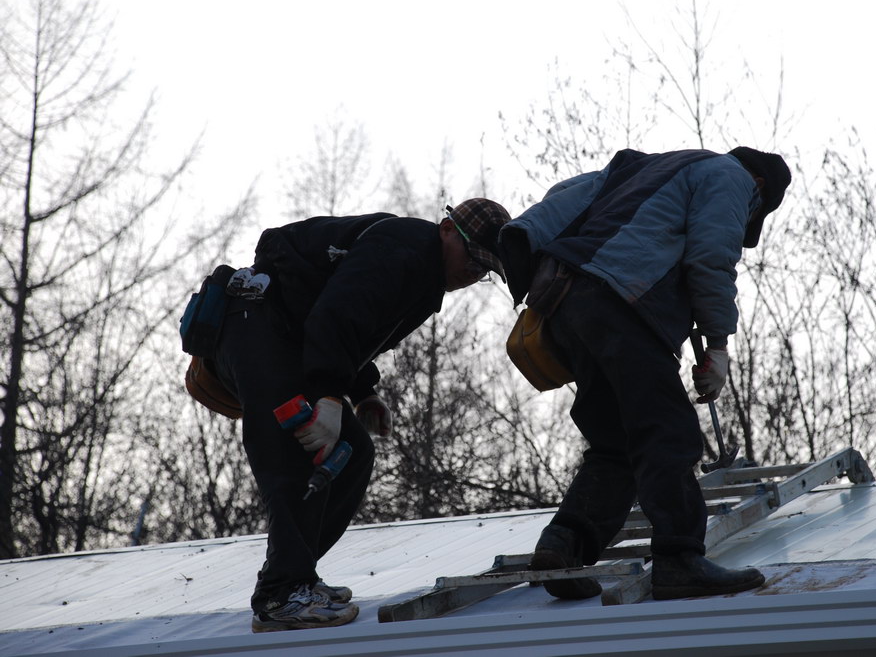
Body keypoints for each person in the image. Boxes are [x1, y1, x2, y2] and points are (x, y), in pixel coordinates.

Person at [498, 146, 790, 601]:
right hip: (619, 300)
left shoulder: (653, 165)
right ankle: (679, 561)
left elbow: (565, 195)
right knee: (668, 433)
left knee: (616, 443)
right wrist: (718, 345)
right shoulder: (732, 177)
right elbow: (711, 257)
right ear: (760, 189)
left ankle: (563, 546)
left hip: (565, 296)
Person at [208, 198, 511, 632]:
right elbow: (335, 316)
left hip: (288, 339)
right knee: (298, 454)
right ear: (446, 229)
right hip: (256, 325)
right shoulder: (403, 250)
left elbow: (352, 325)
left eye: (485, 269)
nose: (474, 273)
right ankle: (281, 595)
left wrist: (362, 392)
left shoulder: (423, 273)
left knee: (351, 453)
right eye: (473, 259)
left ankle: (296, 578)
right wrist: (330, 398)